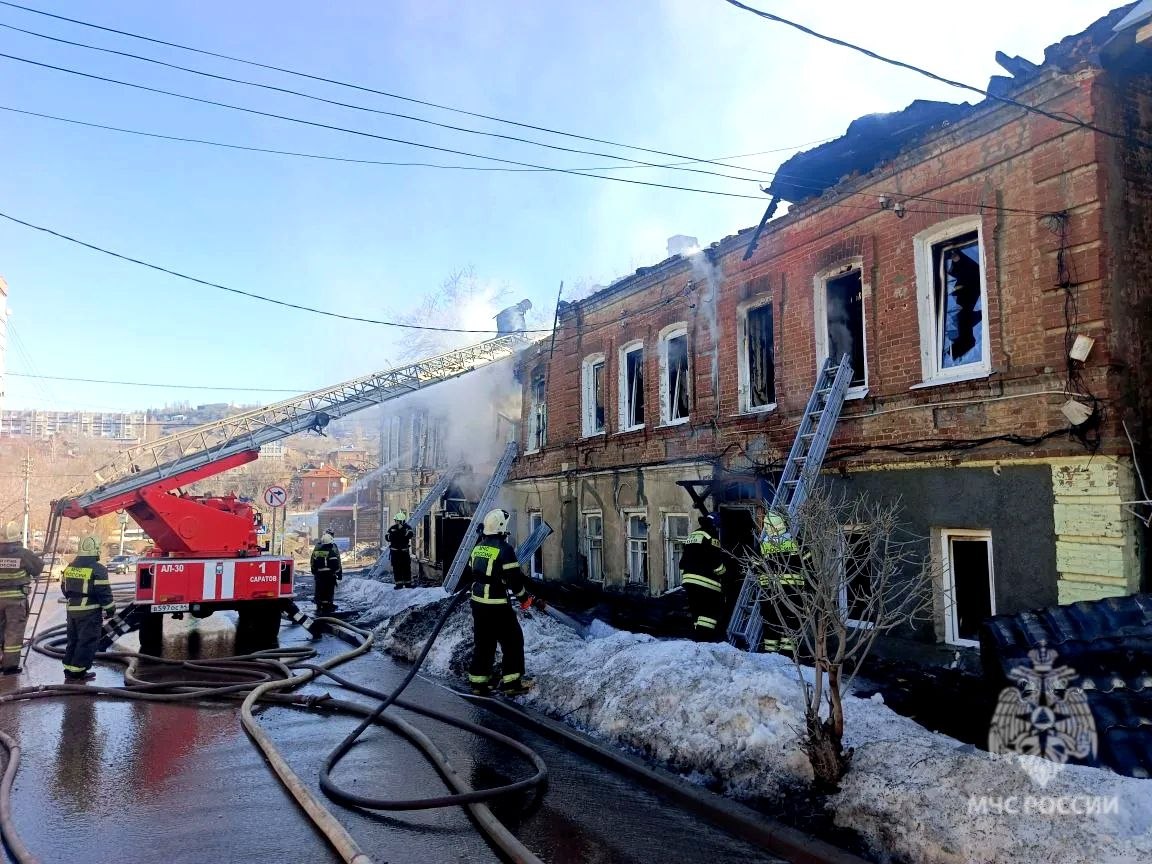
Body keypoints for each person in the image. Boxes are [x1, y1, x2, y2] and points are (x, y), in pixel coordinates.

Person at [465, 508, 534, 696]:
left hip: (478, 603)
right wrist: (524, 599)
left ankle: (479, 683)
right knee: (512, 641)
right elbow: (514, 580)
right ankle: (512, 683)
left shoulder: (478, 547)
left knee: (484, 643)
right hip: (497, 604)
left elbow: (473, 571)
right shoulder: (505, 549)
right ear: (501, 527)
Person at [61, 535, 114, 682]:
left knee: (73, 640)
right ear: (96, 549)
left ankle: (69, 668)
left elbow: (64, 589)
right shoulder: (98, 569)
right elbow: (103, 591)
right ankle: (78, 672)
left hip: (72, 611)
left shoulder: (70, 567)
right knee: (87, 641)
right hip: (89, 612)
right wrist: (110, 609)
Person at [758, 511, 806, 656]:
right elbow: (809, 564)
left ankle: (770, 662)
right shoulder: (796, 542)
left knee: (771, 626)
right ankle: (789, 661)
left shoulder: (762, 545)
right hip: (792, 593)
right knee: (791, 626)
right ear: (783, 524)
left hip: (769, 593)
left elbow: (754, 566)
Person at [0, 521, 42, 675]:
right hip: (15, 601)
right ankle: (9, 666)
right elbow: (38, 568)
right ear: (18, 537)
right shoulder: (23, 554)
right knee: (13, 633)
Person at [678, 514, 729, 642]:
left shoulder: (694, 535)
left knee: (697, 613)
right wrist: (726, 574)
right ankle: (705, 641)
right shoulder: (711, 536)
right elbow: (716, 563)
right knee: (709, 614)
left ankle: (698, 643)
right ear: (714, 525)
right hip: (706, 583)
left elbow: (683, 561)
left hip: (689, 581)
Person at [310, 530, 342, 615]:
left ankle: (319, 605)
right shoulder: (332, 551)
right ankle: (328, 606)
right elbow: (336, 564)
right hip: (329, 576)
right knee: (329, 591)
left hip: (319, 575)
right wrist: (338, 573)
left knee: (319, 590)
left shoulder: (317, 551)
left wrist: (314, 571)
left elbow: (313, 561)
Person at [385, 511, 415, 589]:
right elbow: (387, 537)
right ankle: (399, 584)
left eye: (397, 520)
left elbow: (409, 535)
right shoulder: (392, 528)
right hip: (395, 552)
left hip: (404, 552)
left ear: (401, 521)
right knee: (396, 568)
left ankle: (408, 584)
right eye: (395, 520)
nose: (395, 521)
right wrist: (399, 535)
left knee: (406, 568)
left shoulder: (408, 528)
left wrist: (396, 535)